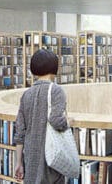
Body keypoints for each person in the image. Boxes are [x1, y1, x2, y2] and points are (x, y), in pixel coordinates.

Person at [15, 49, 70, 184]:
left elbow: (20, 133)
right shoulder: (57, 91)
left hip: (31, 158)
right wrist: (69, 122)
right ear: (54, 68)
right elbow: (56, 121)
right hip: (51, 158)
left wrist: (18, 163)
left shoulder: (26, 95)